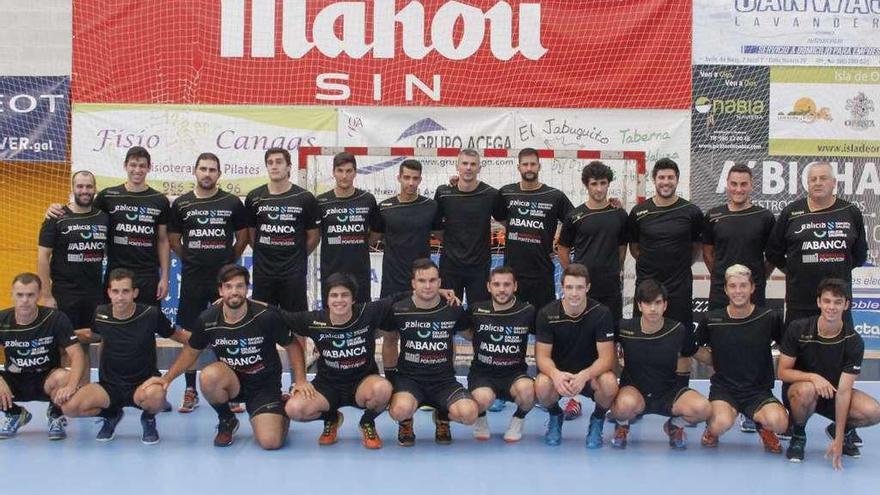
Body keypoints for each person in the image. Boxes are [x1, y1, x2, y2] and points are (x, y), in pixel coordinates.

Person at [144, 265, 310, 449]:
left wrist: (301, 380)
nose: (234, 292)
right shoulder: (208, 319)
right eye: (229, 286)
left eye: (239, 286)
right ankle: (226, 419)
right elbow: (191, 351)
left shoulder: (265, 316)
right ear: (221, 290)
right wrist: (167, 378)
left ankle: (280, 408)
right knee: (209, 375)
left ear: (247, 289)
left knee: (270, 442)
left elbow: (292, 346)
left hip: (264, 386)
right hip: (232, 382)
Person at [284, 273, 417, 449]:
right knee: (294, 409)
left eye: (344, 295)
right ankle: (331, 418)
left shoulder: (367, 312)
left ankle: (367, 422)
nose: (339, 300)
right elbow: (277, 315)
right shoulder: (315, 320)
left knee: (383, 389)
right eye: (334, 295)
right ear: (327, 299)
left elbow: (397, 297)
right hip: (327, 386)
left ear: (353, 299)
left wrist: (440, 291)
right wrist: (300, 380)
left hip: (362, 383)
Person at [61, 269, 188, 444]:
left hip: (143, 385)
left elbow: (180, 337)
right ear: (109, 293)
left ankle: (149, 418)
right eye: (116, 291)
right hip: (109, 387)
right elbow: (92, 334)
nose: (120, 297)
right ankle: (111, 414)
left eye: (125, 291)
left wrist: (207, 337)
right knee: (69, 407)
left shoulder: (150, 314)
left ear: (135, 293)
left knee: (157, 396)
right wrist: (61, 334)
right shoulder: (100, 313)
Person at [169, 152, 248, 413]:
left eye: (212, 169)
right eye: (203, 168)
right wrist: (192, 259)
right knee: (192, 336)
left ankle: (232, 389)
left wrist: (227, 264)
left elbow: (242, 238)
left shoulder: (232, 202)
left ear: (219, 173)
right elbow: (173, 240)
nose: (207, 173)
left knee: (229, 332)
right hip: (192, 279)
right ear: (195, 171)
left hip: (222, 281)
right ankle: (190, 390)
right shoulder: (181, 204)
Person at [47, 146, 171, 306]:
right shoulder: (107, 196)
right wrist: (55, 209)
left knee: (146, 323)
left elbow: (162, 240)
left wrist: (165, 277)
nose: (137, 170)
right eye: (133, 165)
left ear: (149, 167)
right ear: (125, 166)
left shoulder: (159, 199)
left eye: (142, 165)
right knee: (110, 325)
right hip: (115, 273)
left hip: (147, 275)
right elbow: (83, 212)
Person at [778, 278, 880, 467]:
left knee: (873, 411)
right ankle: (798, 435)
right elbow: (782, 372)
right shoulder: (798, 328)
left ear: (846, 305)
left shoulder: (854, 341)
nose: (831, 307)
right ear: (819, 302)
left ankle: (841, 431)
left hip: (833, 394)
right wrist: (813, 377)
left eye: (837, 302)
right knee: (806, 390)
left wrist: (839, 439)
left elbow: (843, 391)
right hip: (800, 393)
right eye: (827, 301)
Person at [557, 161, 628, 421]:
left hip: (610, 289)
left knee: (612, 344)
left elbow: (622, 248)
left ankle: (613, 399)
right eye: (594, 184)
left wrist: (614, 270)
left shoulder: (619, 214)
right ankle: (573, 399)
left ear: (609, 184)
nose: (599, 188)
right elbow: (562, 250)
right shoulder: (575, 216)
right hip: (583, 294)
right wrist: (575, 276)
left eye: (603, 183)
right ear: (587, 186)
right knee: (579, 345)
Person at [384, 258, 478, 446]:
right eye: (422, 281)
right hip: (410, 380)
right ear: (413, 284)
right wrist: (391, 379)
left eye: (432, 280)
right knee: (399, 409)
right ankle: (406, 421)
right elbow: (389, 343)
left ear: (440, 282)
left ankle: (442, 417)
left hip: (443, 381)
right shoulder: (399, 309)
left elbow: (472, 337)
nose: (427, 285)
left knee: (469, 415)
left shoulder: (453, 308)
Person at [694, 265, 788, 453]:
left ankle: (764, 427)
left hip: (758, 391)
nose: (738, 291)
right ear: (726, 289)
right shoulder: (712, 319)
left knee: (780, 423)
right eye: (733, 286)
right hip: (725, 391)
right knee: (720, 424)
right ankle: (711, 430)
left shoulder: (769, 317)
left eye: (743, 286)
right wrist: (717, 360)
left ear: (752, 288)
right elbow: (694, 348)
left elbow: (788, 347)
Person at [627, 158, 702, 393]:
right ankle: (637, 393)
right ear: (654, 180)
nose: (666, 182)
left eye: (670, 177)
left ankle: (679, 394)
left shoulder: (691, 211)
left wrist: (676, 266)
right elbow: (634, 248)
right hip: (647, 286)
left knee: (683, 343)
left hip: (679, 286)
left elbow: (696, 249)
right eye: (661, 177)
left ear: (677, 180)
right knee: (641, 340)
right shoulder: (639, 212)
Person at [610, 279, 710, 450]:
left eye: (657, 303)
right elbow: (602, 345)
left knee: (704, 409)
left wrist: (728, 365)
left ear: (665, 305)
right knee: (621, 407)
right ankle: (622, 425)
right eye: (647, 303)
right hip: (635, 393)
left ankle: (674, 426)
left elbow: (697, 353)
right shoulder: (624, 328)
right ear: (640, 305)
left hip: (668, 394)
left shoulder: (678, 330)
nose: (653, 309)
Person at [767, 162, 868, 328]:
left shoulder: (851, 212)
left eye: (823, 178)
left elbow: (860, 255)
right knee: (796, 351)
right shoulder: (791, 212)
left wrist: (837, 266)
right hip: (800, 301)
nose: (818, 182)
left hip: (837, 302)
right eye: (813, 179)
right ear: (808, 183)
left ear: (834, 183)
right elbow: (773, 252)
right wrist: (793, 269)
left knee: (837, 351)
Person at [370, 159, 443, 378]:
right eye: (406, 177)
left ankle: (420, 379)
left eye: (415, 178)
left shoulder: (430, 206)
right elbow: (372, 239)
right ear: (399, 178)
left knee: (421, 336)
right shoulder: (384, 207)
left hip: (423, 283)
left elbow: (445, 236)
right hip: (392, 280)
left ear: (420, 179)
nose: (410, 182)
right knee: (390, 335)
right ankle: (391, 381)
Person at [534, 263, 618, 448]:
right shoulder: (547, 314)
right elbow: (542, 357)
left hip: (590, 376)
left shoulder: (601, 313)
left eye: (579, 287)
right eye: (569, 287)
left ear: (587, 287)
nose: (574, 293)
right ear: (562, 287)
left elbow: (606, 358)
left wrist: (584, 375)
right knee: (541, 385)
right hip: (560, 376)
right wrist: (556, 375)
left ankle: (597, 420)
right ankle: (556, 416)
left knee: (610, 383)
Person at [37, 170, 108, 383]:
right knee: (60, 345)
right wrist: (47, 296)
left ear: (95, 189)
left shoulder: (103, 217)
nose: (84, 191)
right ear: (72, 189)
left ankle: (83, 390)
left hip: (93, 293)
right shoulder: (56, 218)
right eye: (80, 186)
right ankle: (55, 396)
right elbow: (42, 257)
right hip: (64, 292)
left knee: (84, 342)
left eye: (88, 186)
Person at [0, 273, 85, 440]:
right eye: (20, 295)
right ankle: (15, 414)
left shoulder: (55, 318)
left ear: (38, 295)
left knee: (66, 377)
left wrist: (71, 386)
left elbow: (77, 355)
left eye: (30, 295)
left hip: (47, 380)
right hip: (15, 380)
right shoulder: (2, 319)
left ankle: (55, 414)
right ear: (11, 295)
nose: (25, 300)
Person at [461, 266, 536, 443]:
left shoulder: (527, 311)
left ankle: (518, 419)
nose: (502, 289)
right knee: (480, 399)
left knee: (529, 392)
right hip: (483, 375)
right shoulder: (476, 309)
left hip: (514, 375)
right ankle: (481, 419)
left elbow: (544, 336)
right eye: (496, 284)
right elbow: (464, 330)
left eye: (506, 284)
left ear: (515, 286)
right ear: (489, 287)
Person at [245, 147, 319, 312]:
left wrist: (296, 255)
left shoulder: (305, 198)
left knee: (296, 321)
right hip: (263, 272)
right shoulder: (254, 197)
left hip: (293, 273)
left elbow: (314, 236)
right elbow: (251, 235)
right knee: (263, 320)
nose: (274, 166)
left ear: (288, 166)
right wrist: (265, 252)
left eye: (279, 162)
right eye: (270, 162)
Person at [498, 148, 573, 309]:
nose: (529, 168)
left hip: (542, 274)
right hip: (512, 274)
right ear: (519, 167)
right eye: (525, 164)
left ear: (539, 166)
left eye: (533, 164)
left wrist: (560, 243)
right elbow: (500, 218)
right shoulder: (506, 192)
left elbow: (575, 221)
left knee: (542, 327)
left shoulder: (554, 196)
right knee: (514, 325)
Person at [434, 149, 505, 304]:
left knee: (479, 314)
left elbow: (505, 222)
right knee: (449, 313)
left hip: (479, 267)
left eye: (473, 164)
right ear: (457, 166)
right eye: (464, 163)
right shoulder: (443, 193)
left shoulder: (491, 194)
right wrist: (452, 244)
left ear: (479, 168)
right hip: (450, 266)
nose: (468, 167)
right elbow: (436, 227)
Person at [316, 152, 379, 304]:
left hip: (360, 272)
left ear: (355, 173)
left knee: (361, 315)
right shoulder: (321, 201)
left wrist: (360, 244)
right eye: (340, 171)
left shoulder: (367, 199)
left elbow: (377, 232)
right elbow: (315, 234)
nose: (344, 176)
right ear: (333, 173)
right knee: (332, 315)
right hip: (331, 270)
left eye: (349, 171)